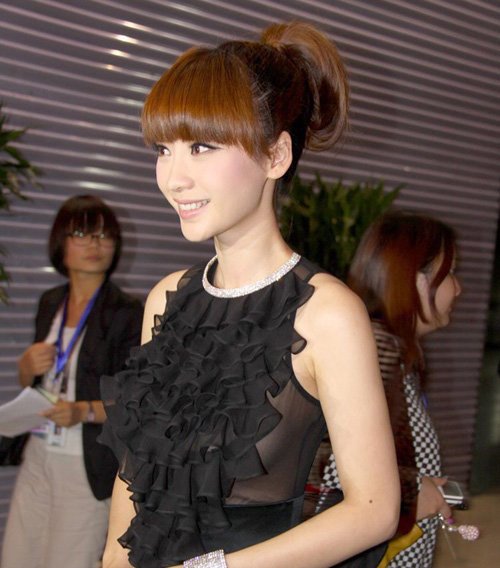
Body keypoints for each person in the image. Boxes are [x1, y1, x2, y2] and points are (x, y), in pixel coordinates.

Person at [99, 21, 400, 568]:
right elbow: (134, 472)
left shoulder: (325, 312)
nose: (173, 178)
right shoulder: (167, 298)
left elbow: (374, 510)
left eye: (201, 146)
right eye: (164, 149)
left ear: (275, 156)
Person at [1, 195, 143, 568]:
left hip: (87, 465)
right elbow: (37, 382)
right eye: (82, 234)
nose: (95, 244)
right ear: (60, 243)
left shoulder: (127, 313)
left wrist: (82, 411)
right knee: (16, 557)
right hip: (38, 454)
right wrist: (25, 365)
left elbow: (134, 401)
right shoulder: (51, 302)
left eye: (103, 235)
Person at [319, 211, 462, 567]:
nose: (458, 288)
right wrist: (411, 492)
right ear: (413, 279)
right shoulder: (376, 350)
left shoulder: (388, 350)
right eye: (450, 273)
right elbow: (329, 464)